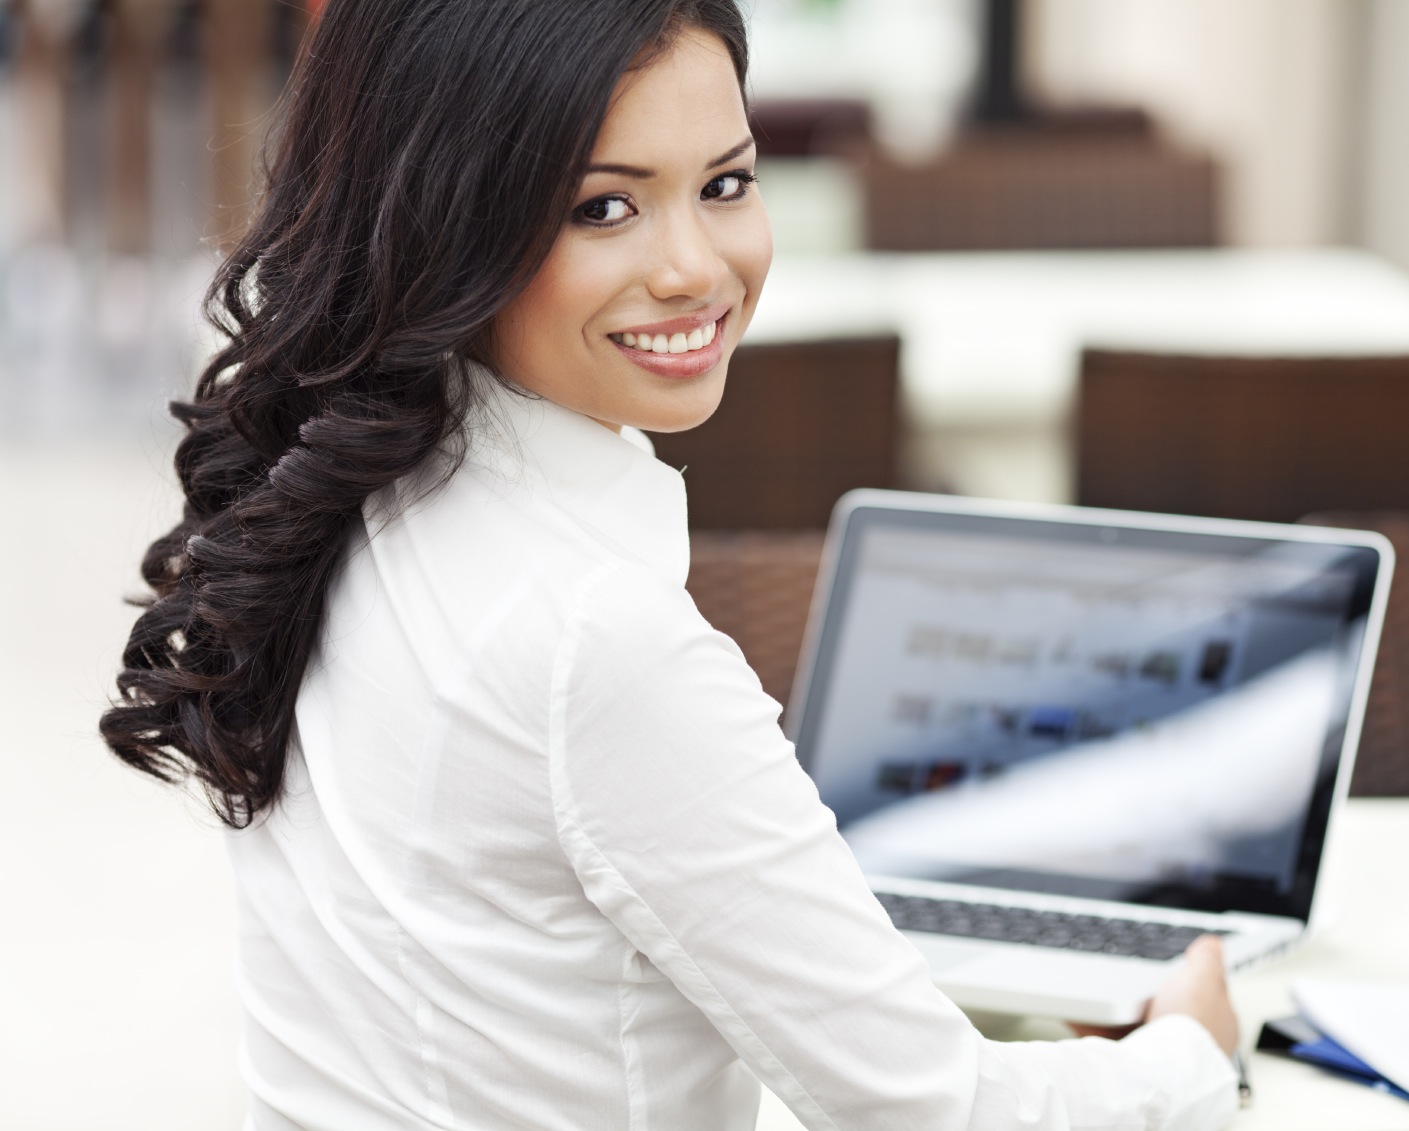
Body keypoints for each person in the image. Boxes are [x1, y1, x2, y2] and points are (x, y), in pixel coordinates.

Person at [101, 2, 1242, 1127]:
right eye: (604, 207)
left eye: (727, 183)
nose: (696, 268)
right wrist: (1191, 1050)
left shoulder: (361, 485)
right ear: (449, 217)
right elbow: (943, 1113)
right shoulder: (591, 638)